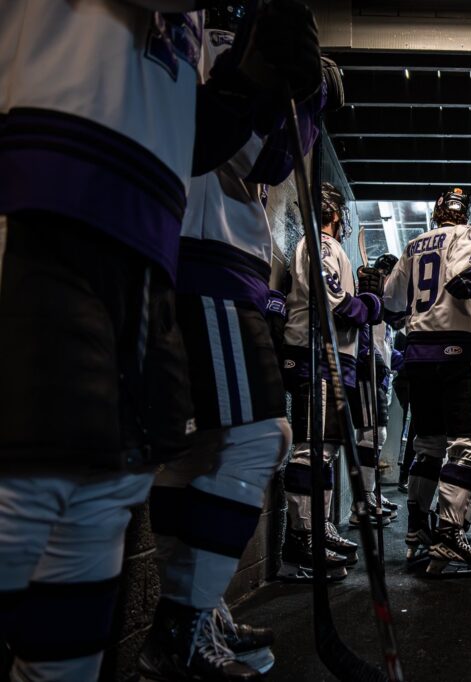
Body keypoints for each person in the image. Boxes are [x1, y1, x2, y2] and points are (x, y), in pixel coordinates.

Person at [0, 2, 319, 679]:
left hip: (146, 244)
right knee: (43, 490)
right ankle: (185, 622)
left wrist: (260, 89)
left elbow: (201, 142)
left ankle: (185, 622)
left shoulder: (186, 31)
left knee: (99, 495)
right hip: (62, 212)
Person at [139, 19, 339, 679]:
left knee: (195, 452)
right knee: (258, 439)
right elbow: (267, 160)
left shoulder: (188, 35)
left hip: (191, 259)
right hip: (208, 262)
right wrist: (303, 102)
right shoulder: (221, 43)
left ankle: (197, 614)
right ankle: (183, 625)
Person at [381, 187, 471, 575]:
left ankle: (417, 531)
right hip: (458, 352)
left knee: (427, 445)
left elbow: (391, 303)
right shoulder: (469, 234)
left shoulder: (413, 245)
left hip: (418, 354)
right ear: (464, 212)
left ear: (436, 212)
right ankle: (449, 533)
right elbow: (465, 279)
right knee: (467, 445)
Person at [279, 183, 379, 579]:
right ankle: (300, 540)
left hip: (332, 359)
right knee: (311, 449)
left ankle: (317, 527)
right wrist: (370, 303)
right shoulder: (320, 245)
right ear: (335, 214)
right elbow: (336, 305)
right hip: (317, 357)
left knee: (327, 451)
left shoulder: (320, 246)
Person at [352, 253, 403, 527]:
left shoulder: (385, 305)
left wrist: (403, 360)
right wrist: (369, 357)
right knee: (373, 434)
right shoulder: (368, 297)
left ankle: (367, 495)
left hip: (380, 374)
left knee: (371, 435)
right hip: (367, 371)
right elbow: (363, 335)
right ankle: (363, 501)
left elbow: (385, 344)